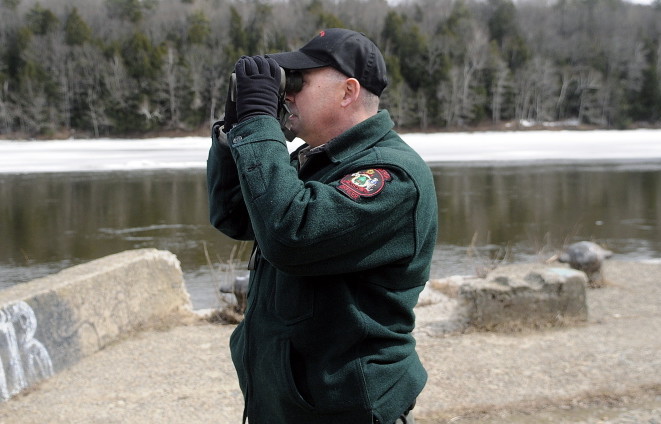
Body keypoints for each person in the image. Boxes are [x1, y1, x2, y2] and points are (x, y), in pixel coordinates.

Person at [207, 28, 437, 424]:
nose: (287, 94)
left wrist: (260, 124)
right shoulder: (320, 162)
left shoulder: (390, 174)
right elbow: (235, 216)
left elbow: (290, 236)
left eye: (297, 81)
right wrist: (235, 133)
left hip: (347, 408)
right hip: (291, 404)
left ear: (348, 92)